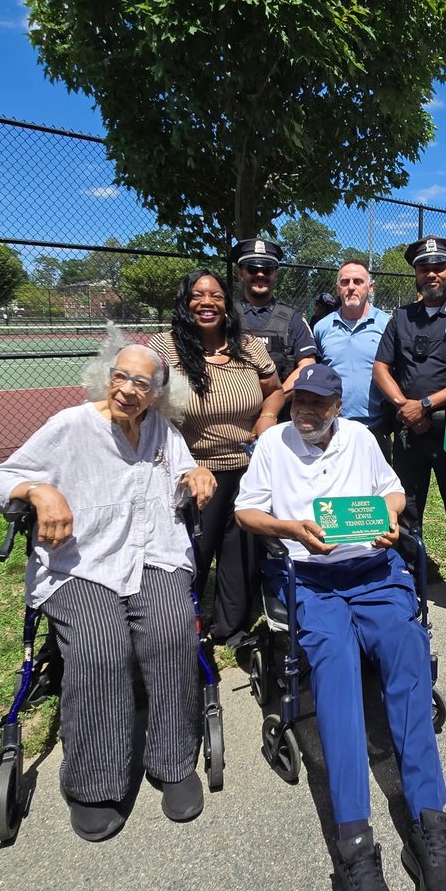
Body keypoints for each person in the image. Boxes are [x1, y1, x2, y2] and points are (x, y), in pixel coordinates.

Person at [234, 364, 446, 891]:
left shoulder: (361, 438)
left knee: (408, 661)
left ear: (338, 405)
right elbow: (247, 511)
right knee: (335, 676)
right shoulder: (273, 444)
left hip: (373, 573)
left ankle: (432, 828)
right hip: (311, 579)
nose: (307, 412)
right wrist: (287, 528)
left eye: (318, 403)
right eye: (300, 402)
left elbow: (393, 493)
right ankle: (355, 847)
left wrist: (389, 518)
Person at [0, 334, 219, 842]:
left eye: (142, 382)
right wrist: (39, 491)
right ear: (107, 378)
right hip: (80, 564)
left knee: (174, 631)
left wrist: (196, 472)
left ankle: (173, 760)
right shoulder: (70, 426)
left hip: (153, 555)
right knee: (100, 645)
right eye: (121, 377)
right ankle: (94, 782)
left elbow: (181, 471)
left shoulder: (162, 431)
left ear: (159, 392)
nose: (129, 389)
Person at [150, 269, 283, 646]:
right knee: (193, 553)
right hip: (196, 471)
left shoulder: (248, 345)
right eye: (197, 295)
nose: (206, 302)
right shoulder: (164, 349)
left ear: (227, 304)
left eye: (216, 296)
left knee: (241, 552)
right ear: (185, 301)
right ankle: (178, 630)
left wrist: (268, 417)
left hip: (249, 466)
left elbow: (274, 390)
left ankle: (231, 629)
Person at [373, 235, 446, 624]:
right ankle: (409, 582)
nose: (431, 273)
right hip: (409, 433)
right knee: (407, 511)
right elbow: (382, 368)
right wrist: (403, 407)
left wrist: (424, 404)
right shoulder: (400, 317)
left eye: (438, 266)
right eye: (424, 267)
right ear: (416, 274)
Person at [313, 259, 391, 456]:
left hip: (376, 427)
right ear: (338, 288)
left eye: (358, 281)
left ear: (370, 287)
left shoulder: (388, 325)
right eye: (345, 282)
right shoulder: (322, 328)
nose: (351, 287)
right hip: (333, 426)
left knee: (376, 487)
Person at [233, 238, 319, 388]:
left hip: (280, 407)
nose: (260, 274)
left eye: (267, 269)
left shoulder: (293, 319)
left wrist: (276, 399)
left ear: (275, 275)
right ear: (240, 273)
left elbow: (308, 364)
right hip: (234, 407)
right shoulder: (227, 316)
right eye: (252, 269)